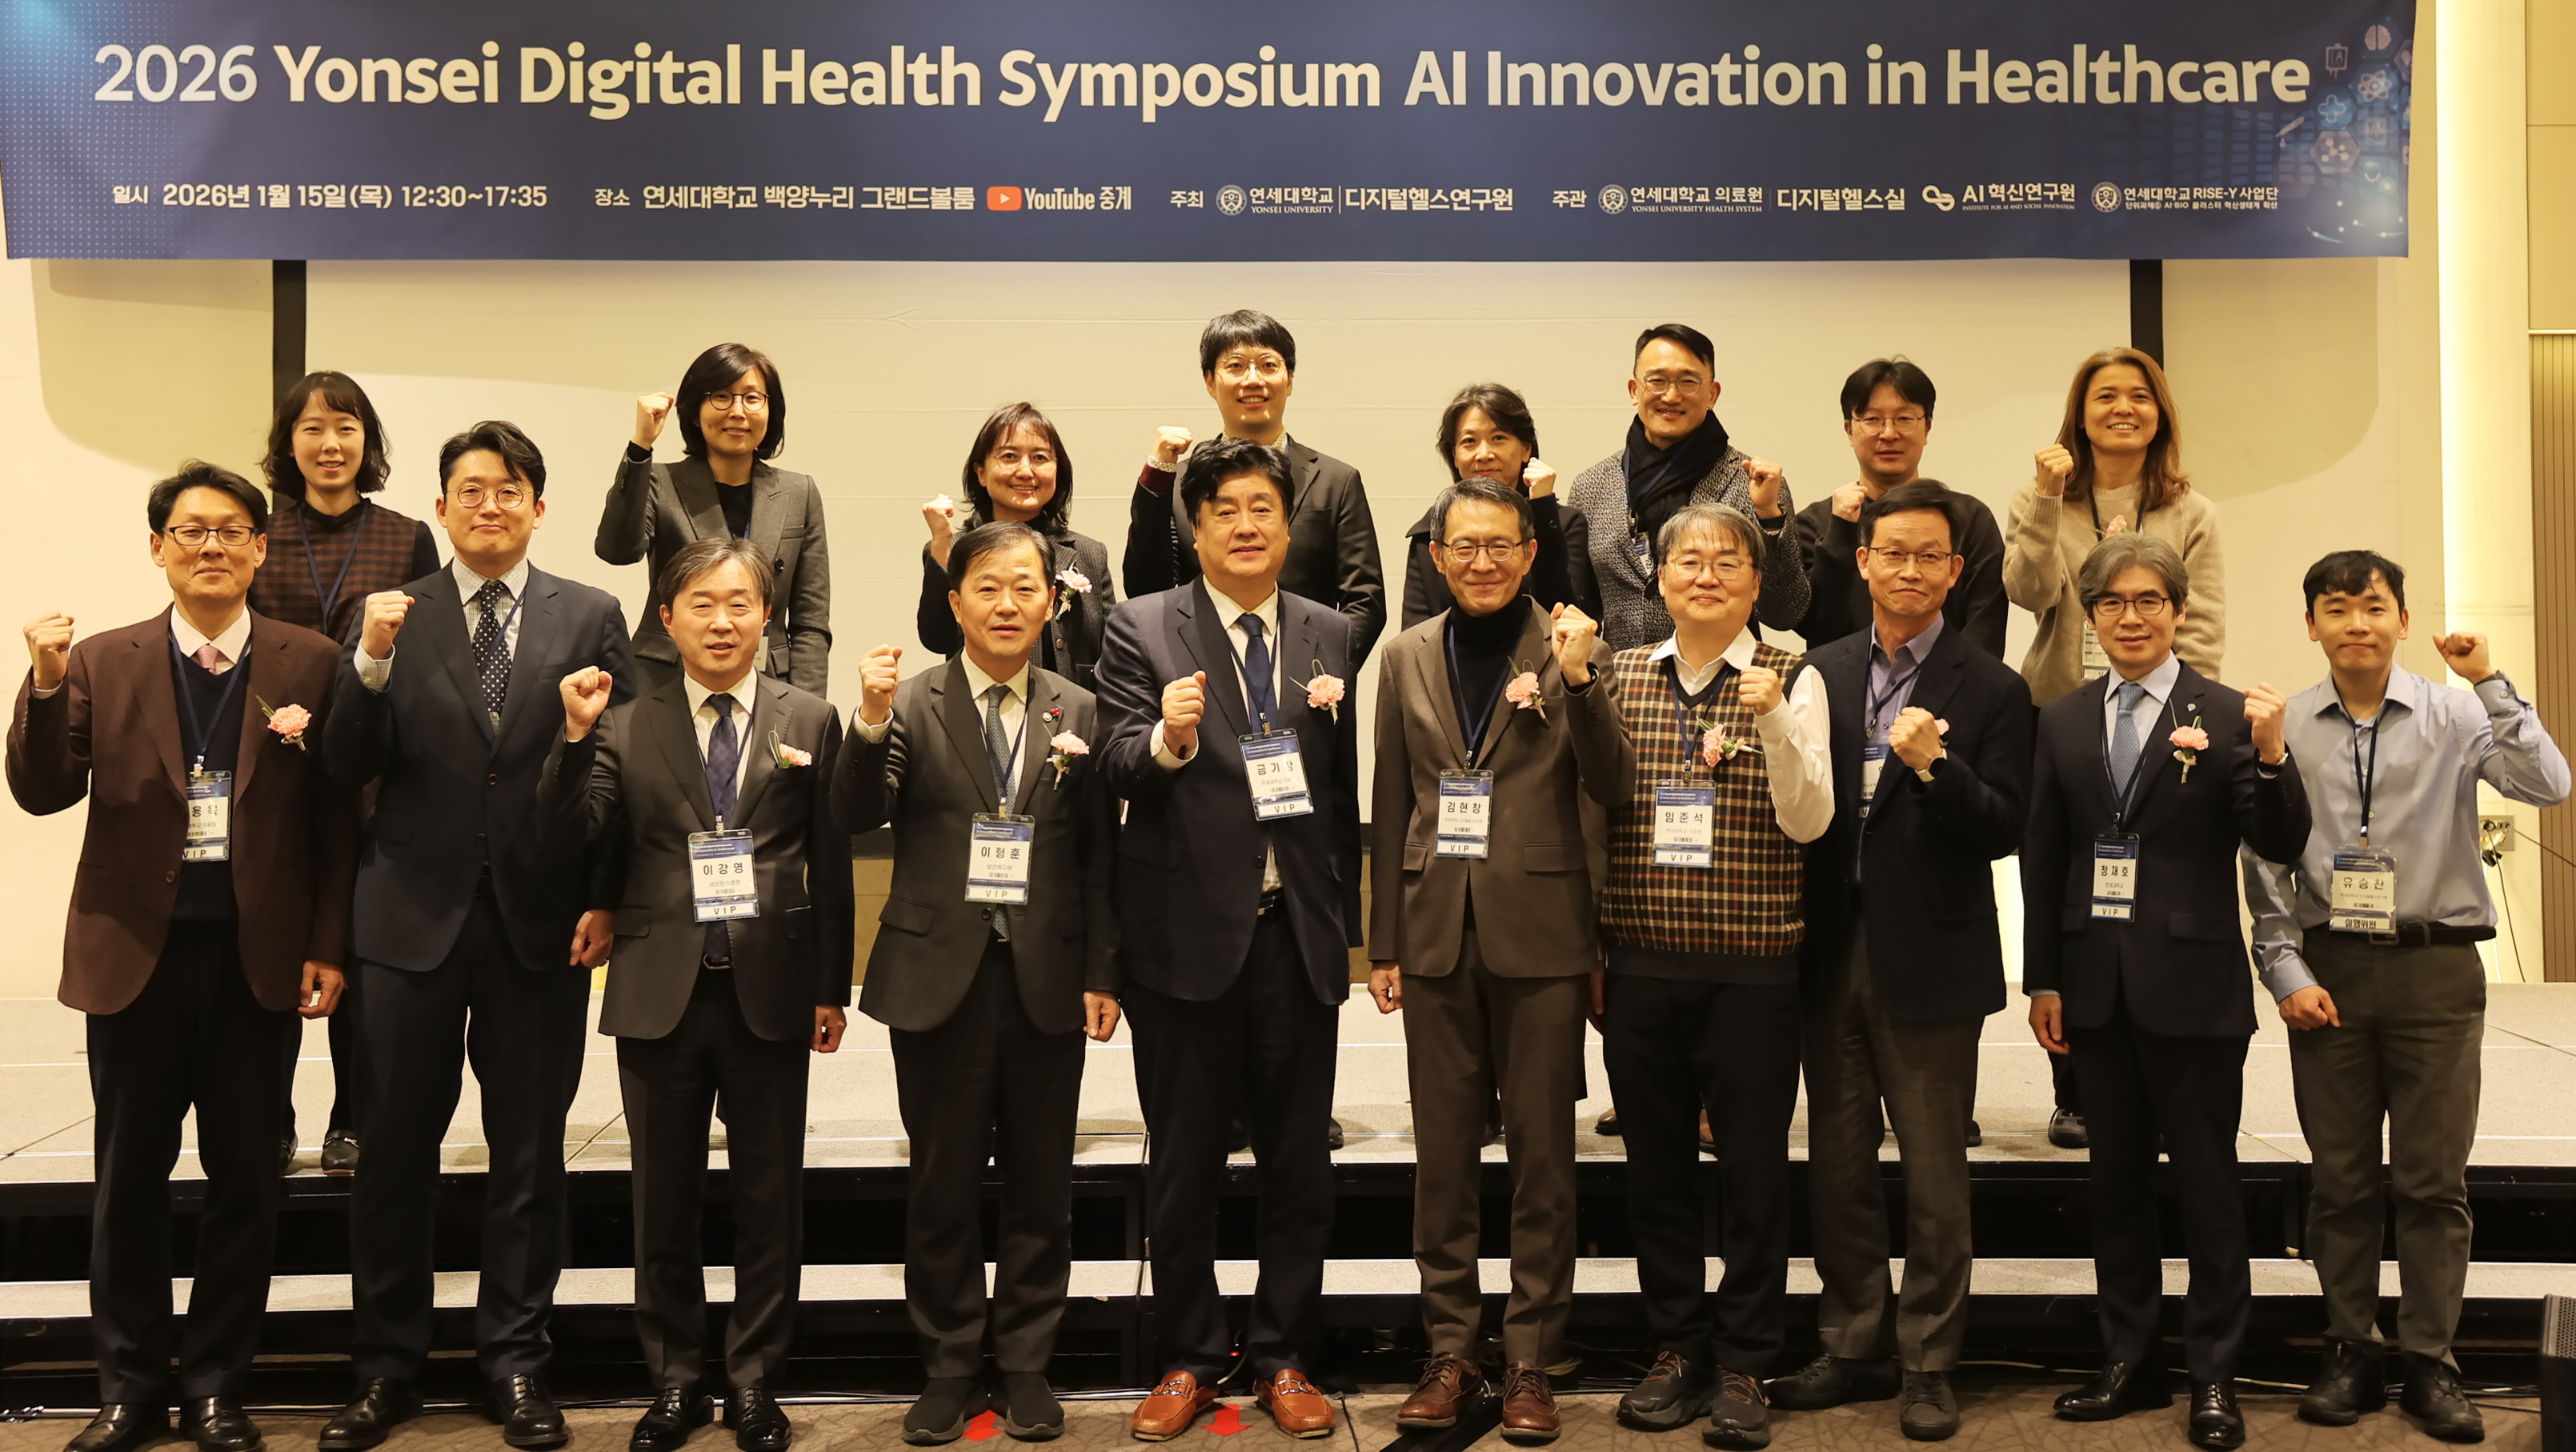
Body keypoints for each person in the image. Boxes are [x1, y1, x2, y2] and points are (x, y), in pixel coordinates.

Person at [10, 464, 355, 1452]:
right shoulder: (101, 661)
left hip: (259, 961)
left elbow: (339, 824)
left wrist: (329, 945)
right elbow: (40, 790)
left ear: (260, 550)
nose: (212, 546)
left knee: (247, 1178)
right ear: (156, 545)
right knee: (128, 1181)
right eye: (190, 530)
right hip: (134, 959)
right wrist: (39, 683)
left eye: (232, 530)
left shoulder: (311, 662)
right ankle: (126, 1386)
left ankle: (216, 1384)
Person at [319, 421, 637, 1452]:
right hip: (408, 917)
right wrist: (367, 659)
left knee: (529, 1154)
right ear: (442, 507)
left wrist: (606, 894)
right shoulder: (391, 615)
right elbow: (343, 760)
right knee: (393, 1153)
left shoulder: (589, 612)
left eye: (508, 490)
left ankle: (515, 1363)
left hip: (541, 924)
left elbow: (618, 774)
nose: (488, 506)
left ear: (539, 506)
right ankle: (385, 1367)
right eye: (469, 490)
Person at [2242, 551, 2569, 1442]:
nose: (2357, 623)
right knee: (2340, 1181)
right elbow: (2266, 858)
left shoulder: (2457, 709)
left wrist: (2492, 678)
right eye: (2337, 608)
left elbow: (2549, 784)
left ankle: (2431, 1356)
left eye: (2374, 606)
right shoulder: (2283, 724)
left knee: (2433, 1180)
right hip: (2329, 970)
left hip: (2435, 968)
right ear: (2311, 623)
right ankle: (2351, 1346)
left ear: (2399, 616)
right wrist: (2285, 969)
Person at [539, 536, 853, 1452]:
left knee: (770, 1197)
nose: (721, 621)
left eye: (739, 603)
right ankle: (675, 1380)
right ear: (667, 619)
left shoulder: (812, 716)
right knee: (660, 1199)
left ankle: (755, 1379)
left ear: (767, 615)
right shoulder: (624, 719)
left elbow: (829, 868)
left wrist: (829, 984)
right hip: (658, 985)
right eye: (701, 605)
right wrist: (569, 737)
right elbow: (574, 831)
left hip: (773, 988)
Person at [1093, 437, 1363, 1442]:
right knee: (1187, 1166)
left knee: (1299, 1162)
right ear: (1193, 527)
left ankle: (1288, 1356)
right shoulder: (1139, 627)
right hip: (1182, 941)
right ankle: (1191, 1356)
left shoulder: (1328, 632)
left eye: (1264, 508)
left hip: (1297, 935)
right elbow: (1117, 765)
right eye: (1226, 511)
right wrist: (1164, 737)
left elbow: (1336, 799)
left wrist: (1357, 937)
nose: (1247, 525)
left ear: (1287, 525)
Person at [2022, 533, 2307, 1452]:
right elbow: (2045, 858)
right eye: (2111, 602)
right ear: (2093, 616)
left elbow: (2281, 838)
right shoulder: (2062, 719)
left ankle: (2216, 1373)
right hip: (2093, 988)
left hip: (2192, 986)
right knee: (2114, 1189)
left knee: (2209, 1187)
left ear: (2179, 612)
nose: (2130, 617)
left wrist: (2269, 755)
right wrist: (2045, 977)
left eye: (2149, 600)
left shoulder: (2225, 713)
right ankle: (2129, 1358)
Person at [840, 522, 1122, 1446]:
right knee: (942, 1180)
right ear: (954, 602)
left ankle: (1029, 1361)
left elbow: (1097, 856)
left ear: (1054, 601)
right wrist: (869, 718)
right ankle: (952, 1361)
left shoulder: (1078, 709)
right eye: (987, 588)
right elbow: (857, 811)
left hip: (1045, 972)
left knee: (1044, 1180)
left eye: (1025, 588)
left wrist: (1100, 969)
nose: (1007, 604)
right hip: (937, 974)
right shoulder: (910, 702)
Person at [1369, 478, 1632, 1445]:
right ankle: (1450, 1349)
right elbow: (1392, 794)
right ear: (1436, 557)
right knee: (1441, 1160)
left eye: (1499, 545)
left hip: (1545, 930)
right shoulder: (1402, 654)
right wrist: (1385, 941)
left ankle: (1530, 1358)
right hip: (1435, 929)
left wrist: (1578, 679)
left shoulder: (1567, 642)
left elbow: (1610, 781)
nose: (1480, 561)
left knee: (1542, 1163)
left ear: (1529, 552)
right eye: (1462, 546)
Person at [1769, 483, 2032, 1442]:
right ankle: (1851, 1343)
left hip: (1933, 952)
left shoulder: (1992, 686)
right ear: (1865, 562)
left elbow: (2006, 825)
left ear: (1955, 572)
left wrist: (1934, 766)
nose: (1910, 570)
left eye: (1931, 556)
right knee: (1837, 1166)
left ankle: (1929, 1358)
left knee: (1932, 1173)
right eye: (1894, 554)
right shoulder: (1820, 670)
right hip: (1826, 948)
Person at [1595, 503, 1832, 1450]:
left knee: (1753, 1174)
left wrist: (1773, 724)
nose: (1705, 574)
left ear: (1754, 582)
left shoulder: (1791, 675)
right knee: (1654, 1170)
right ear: (1658, 578)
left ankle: (1745, 1359)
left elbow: (1811, 820)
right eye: (1687, 559)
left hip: (1755, 970)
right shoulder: (1615, 675)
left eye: (1727, 561)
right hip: (1641, 965)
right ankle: (1677, 1349)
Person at [2003, 347, 2226, 1150]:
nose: (2122, 408)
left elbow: (2200, 629)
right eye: (2105, 396)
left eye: (2138, 396)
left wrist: (2189, 724)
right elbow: (2026, 592)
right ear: (2080, 410)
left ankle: (2161, 1067)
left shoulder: (2191, 511)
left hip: (2162, 722)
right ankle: (2076, 1087)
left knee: (2149, 888)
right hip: (2061, 718)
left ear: (2160, 412)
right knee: (2063, 883)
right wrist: (2042, 497)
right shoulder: (2048, 500)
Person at [248, 370, 441, 1179]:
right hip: (274, 771)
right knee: (270, 941)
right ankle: (267, 1116)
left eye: (347, 426)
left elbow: (427, 658)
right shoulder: (260, 532)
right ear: (287, 444)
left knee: (360, 957)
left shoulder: (405, 537)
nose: (330, 444)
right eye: (313, 428)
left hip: (371, 776)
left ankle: (353, 1119)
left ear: (369, 440)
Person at [1124, 309, 1388, 661]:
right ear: (1209, 381)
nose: (1253, 380)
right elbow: (1147, 591)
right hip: (1203, 683)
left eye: (1267, 365)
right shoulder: (1180, 484)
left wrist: (1316, 676)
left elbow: (1365, 601)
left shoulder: (1336, 481)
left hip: (1309, 685)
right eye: (1235, 366)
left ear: (1289, 380)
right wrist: (1157, 475)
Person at [599, 343, 832, 693]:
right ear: (695, 411)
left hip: (769, 682)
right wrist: (641, 445)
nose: (738, 411)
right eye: (722, 397)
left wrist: (806, 707)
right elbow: (617, 549)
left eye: (752, 398)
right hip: (667, 679)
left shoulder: (800, 492)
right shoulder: (661, 481)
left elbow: (811, 619)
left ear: (770, 412)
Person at [1565, 325, 1809, 655]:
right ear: (1634, 389)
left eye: (1688, 381)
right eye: (1657, 380)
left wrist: (1769, 519)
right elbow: (1582, 610)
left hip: (1728, 687)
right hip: (1621, 685)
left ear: (1713, 394)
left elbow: (1785, 614)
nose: (1671, 395)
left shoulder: (1754, 482)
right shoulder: (1592, 486)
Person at [1789, 360, 2007, 657]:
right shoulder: (1816, 524)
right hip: (1838, 695)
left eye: (1905, 419)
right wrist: (1840, 533)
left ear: (1927, 427)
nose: (1889, 433)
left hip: (1949, 694)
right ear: (1849, 430)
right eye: (1872, 419)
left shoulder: (1970, 519)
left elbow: (1986, 628)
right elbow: (1814, 626)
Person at [914, 403, 1119, 690]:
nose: (1025, 471)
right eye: (1009, 456)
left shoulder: (1089, 553)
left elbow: (1113, 653)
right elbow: (937, 640)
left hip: (1077, 721)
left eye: (1040, 458)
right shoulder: (954, 548)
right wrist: (941, 546)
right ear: (981, 473)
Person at [1396, 385, 1597, 629]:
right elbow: (1414, 637)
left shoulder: (1563, 524)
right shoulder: (1431, 530)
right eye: (1469, 441)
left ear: (1526, 448)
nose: (1484, 454)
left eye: (1498, 438)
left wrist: (1543, 511)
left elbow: (1565, 617)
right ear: (1455, 455)